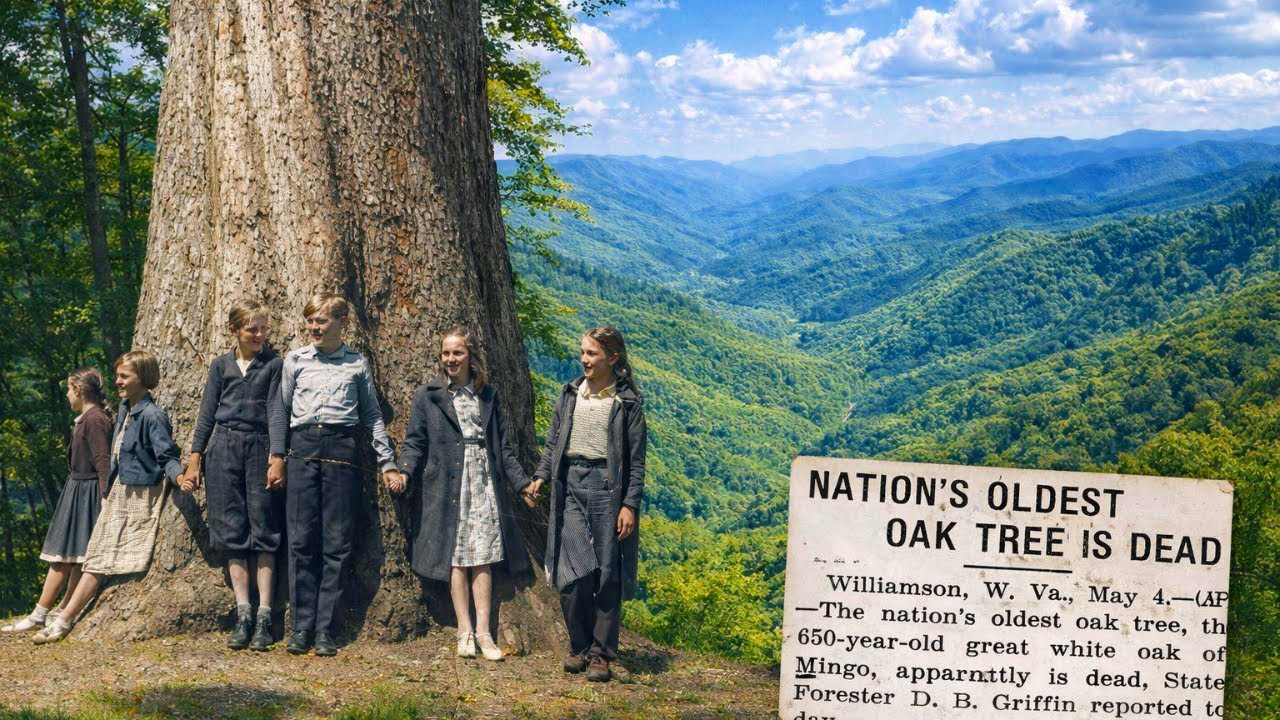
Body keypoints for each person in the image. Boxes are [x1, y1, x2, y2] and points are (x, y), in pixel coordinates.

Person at [398, 327, 535, 661]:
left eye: (457, 353)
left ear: (471, 356)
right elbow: (415, 442)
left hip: (483, 483)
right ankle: (464, 632)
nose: (450, 359)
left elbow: (504, 448)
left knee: (482, 557)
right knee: (457, 558)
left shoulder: (487, 395)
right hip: (447, 485)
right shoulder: (428, 395)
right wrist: (404, 471)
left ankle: (486, 633)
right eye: (446, 353)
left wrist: (521, 483)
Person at [281, 292, 406, 657]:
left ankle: (325, 628)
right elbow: (281, 410)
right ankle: (301, 627)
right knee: (302, 539)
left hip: (342, 450)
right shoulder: (296, 361)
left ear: (341, 323)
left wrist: (388, 462)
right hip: (302, 450)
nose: (314, 327)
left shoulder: (356, 364)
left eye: (321, 321)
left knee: (336, 541)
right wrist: (277, 456)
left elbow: (371, 416)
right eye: (310, 321)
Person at [34, 351, 184, 644]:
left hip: (139, 494)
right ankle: (61, 617)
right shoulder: (126, 408)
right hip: (120, 491)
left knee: (99, 560)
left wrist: (179, 476)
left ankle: (62, 620)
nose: (117, 382)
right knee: (95, 557)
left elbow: (166, 455)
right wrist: (107, 492)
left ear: (143, 377)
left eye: (124, 376)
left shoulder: (153, 416)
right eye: (117, 376)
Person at [528, 326, 647, 682]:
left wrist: (629, 504)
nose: (584, 359)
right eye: (582, 352)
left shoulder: (626, 403)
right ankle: (578, 647)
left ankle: (601, 654)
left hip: (607, 488)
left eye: (592, 354)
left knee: (607, 572)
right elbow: (553, 445)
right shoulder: (569, 395)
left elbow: (637, 462)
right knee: (572, 572)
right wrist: (540, 476)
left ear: (613, 358)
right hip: (571, 485)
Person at [178, 301, 286, 651]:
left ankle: (266, 616)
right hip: (223, 449)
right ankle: (244, 614)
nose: (259, 335)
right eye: (252, 329)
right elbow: (206, 415)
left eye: (263, 329)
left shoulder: (273, 365)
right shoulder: (220, 366)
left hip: (260, 447)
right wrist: (194, 462)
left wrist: (277, 456)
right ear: (235, 331)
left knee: (264, 529)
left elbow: (276, 412)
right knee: (231, 531)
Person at [2, 368, 112, 633]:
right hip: (78, 490)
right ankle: (56, 609)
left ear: (79, 390)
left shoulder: (94, 419)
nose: (66, 395)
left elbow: (103, 461)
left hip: (88, 493)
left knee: (63, 556)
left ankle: (42, 612)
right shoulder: (87, 418)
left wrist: (105, 496)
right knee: (73, 556)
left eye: (67, 389)